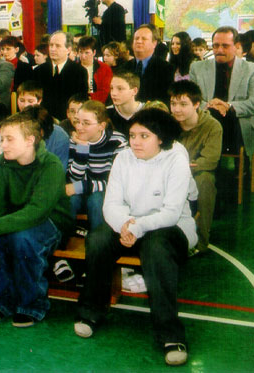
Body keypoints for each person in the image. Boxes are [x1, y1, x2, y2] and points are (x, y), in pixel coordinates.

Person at [74, 108, 198, 367]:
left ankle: (170, 334)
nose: (136, 142)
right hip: (129, 223)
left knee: (156, 249)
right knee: (97, 240)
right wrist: (124, 225)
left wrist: (136, 227)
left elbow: (172, 212)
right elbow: (111, 205)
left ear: (161, 138)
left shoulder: (176, 157)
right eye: (132, 135)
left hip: (169, 227)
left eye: (144, 136)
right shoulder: (123, 158)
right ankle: (92, 312)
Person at [0, 112, 72, 328]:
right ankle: (2, 299)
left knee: (22, 239)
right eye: (2, 139)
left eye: (9, 139)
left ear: (30, 140)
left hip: (51, 222)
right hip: (15, 218)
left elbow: (36, 212)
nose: (3, 145)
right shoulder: (5, 161)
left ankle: (32, 305)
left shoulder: (50, 165)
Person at [189, 26, 254, 157]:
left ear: (236, 46)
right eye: (216, 46)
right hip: (206, 119)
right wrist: (210, 105)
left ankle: (239, 173)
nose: (219, 50)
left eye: (225, 46)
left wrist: (228, 106)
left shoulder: (252, 69)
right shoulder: (197, 68)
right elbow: (190, 99)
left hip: (237, 124)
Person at [169, 80, 222, 254]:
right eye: (173, 103)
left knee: (205, 180)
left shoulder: (212, 126)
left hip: (196, 172)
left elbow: (210, 160)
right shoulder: (168, 123)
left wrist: (183, 167)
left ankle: (201, 239)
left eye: (183, 104)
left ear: (197, 104)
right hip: (168, 170)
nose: (177, 109)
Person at [66, 100, 127, 230]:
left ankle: (97, 242)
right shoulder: (74, 141)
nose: (79, 127)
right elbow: (74, 178)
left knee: (96, 199)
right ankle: (64, 242)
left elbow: (117, 183)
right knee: (70, 200)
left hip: (105, 193)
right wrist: (82, 147)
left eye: (86, 123)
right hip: (81, 191)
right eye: (78, 121)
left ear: (101, 126)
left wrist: (81, 186)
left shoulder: (118, 142)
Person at [34, 31, 88, 120]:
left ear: (68, 49)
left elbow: (80, 101)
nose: (53, 49)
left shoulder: (79, 71)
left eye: (58, 46)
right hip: (43, 119)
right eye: (51, 45)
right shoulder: (38, 71)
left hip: (67, 120)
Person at [119, 24, 175, 105]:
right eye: (136, 38)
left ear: (154, 43)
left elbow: (166, 100)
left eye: (144, 39)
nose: (139, 41)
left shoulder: (166, 69)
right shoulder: (124, 68)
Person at [107, 73, 145, 137]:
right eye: (111, 88)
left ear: (134, 91)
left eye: (120, 89)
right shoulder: (106, 113)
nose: (113, 93)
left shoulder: (149, 111)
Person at [77, 36, 113, 103]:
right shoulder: (74, 68)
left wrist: (89, 98)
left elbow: (105, 91)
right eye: (81, 52)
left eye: (86, 52)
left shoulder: (104, 68)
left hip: (98, 103)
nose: (83, 56)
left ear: (94, 52)